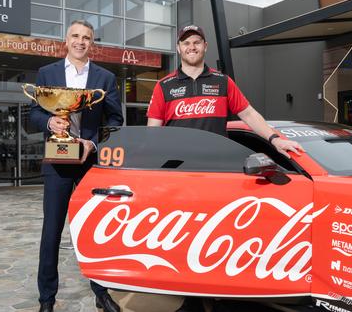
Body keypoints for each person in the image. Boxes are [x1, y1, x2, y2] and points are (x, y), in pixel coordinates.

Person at [147, 25, 303, 312]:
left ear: (205, 46)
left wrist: (275, 139)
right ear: (179, 49)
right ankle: (187, 300)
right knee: (180, 241)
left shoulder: (222, 82)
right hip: (179, 179)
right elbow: (153, 132)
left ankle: (218, 296)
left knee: (217, 238)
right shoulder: (164, 86)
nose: (191, 47)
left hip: (218, 179)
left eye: (196, 42)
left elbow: (249, 113)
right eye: (186, 43)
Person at [30, 20, 123, 312]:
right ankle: (47, 299)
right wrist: (49, 121)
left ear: (91, 43)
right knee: (52, 231)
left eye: (86, 38)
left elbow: (115, 121)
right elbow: (31, 115)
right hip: (57, 161)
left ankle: (101, 292)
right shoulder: (48, 73)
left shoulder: (105, 78)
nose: (81, 41)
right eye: (76, 36)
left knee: (94, 230)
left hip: (89, 163)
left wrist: (92, 143)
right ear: (66, 40)